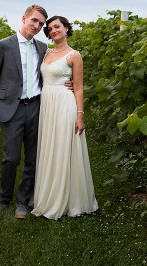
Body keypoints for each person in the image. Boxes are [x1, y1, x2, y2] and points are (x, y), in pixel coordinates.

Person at [0, 4, 48, 219]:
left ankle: (22, 200)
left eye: (41, 23)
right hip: (11, 108)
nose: (37, 26)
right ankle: (3, 199)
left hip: (36, 107)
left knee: (32, 157)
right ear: (24, 19)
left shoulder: (42, 48)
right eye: (34, 21)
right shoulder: (4, 45)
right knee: (11, 158)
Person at [31, 16, 98, 220]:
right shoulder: (46, 53)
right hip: (46, 104)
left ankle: (68, 199)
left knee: (62, 147)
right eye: (50, 28)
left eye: (57, 27)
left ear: (67, 28)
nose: (53, 31)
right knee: (48, 147)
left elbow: (78, 87)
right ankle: (46, 194)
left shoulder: (74, 55)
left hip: (64, 104)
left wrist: (80, 116)